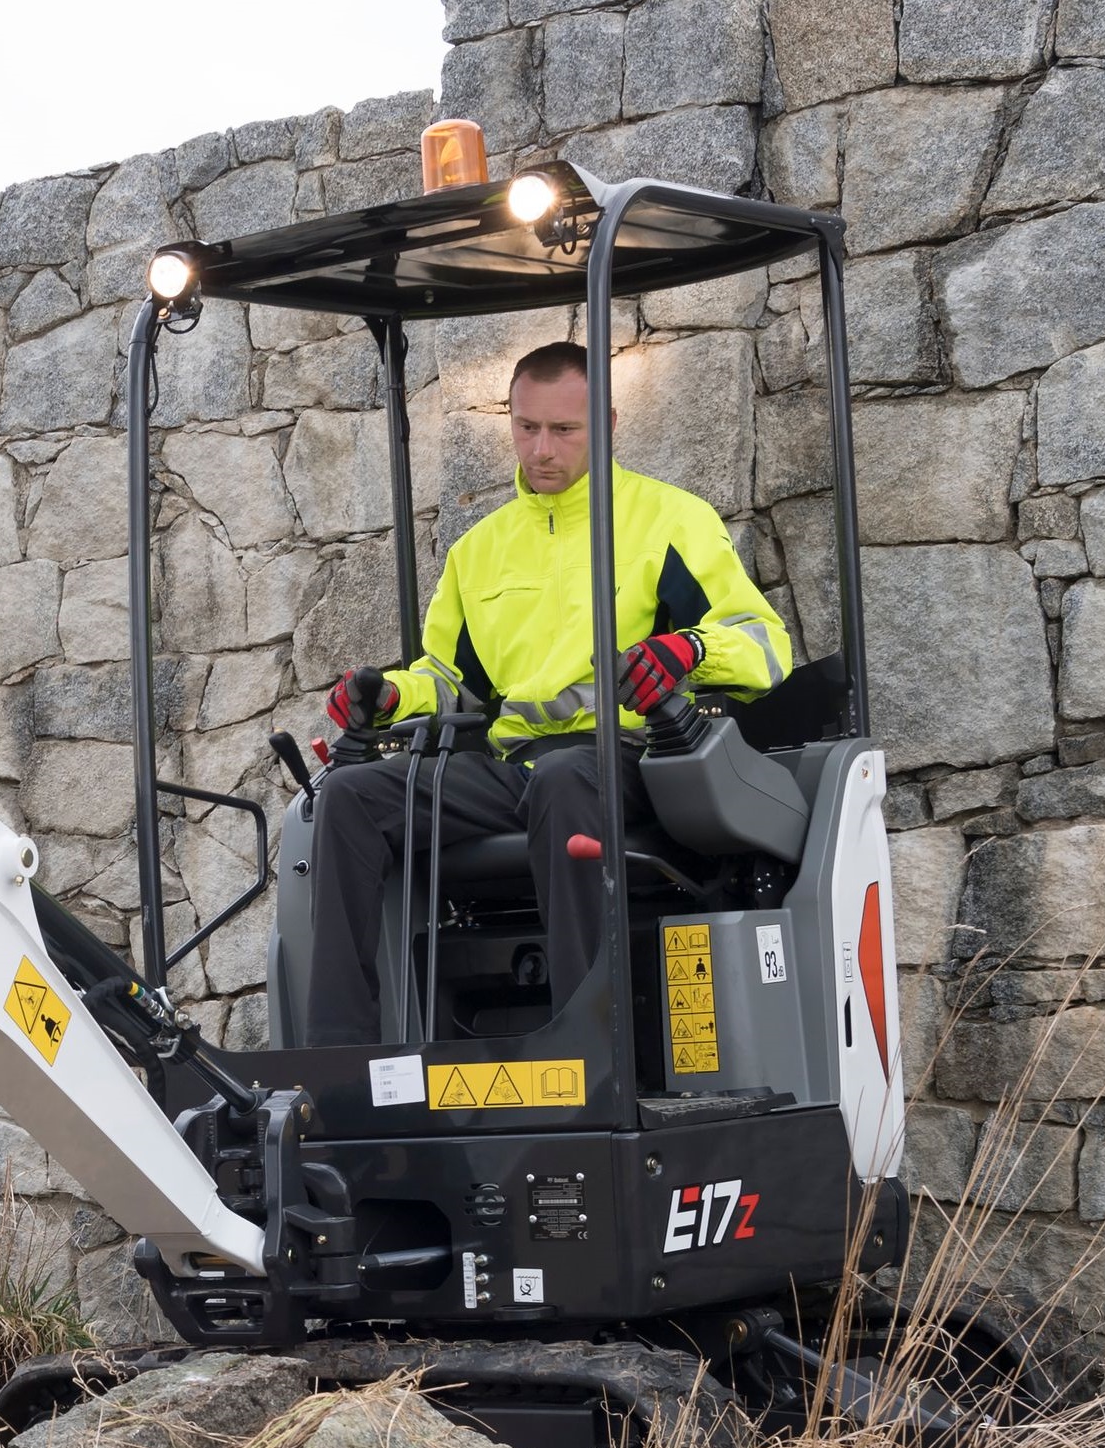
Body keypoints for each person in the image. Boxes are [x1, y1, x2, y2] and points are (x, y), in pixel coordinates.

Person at [302, 339, 789, 1048]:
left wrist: (687, 649)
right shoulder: (480, 550)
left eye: (563, 430)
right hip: (514, 771)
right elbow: (448, 681)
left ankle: (588, 1049)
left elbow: (766, 645)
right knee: (347, 798)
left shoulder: (669, 522)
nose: (541, 449)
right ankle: (338, 1055)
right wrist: (386, 698)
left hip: (629, 759)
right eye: (526, 428)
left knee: (566, 776)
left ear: (608, 425)